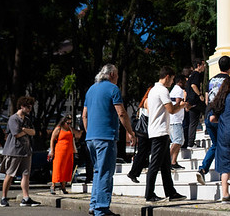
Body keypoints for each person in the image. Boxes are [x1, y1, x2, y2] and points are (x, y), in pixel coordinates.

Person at [83, 64, 136, 216]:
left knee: (98, 171)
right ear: (112, 74)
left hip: (91, 138)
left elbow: (85, 115)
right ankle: (101, 208)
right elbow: (121, 113)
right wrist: (130, 132)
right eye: (117, 75)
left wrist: (89, 132)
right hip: (106, 137)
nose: (118, 78)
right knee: (105, 173)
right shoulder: (113, 89)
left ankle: (94, 205)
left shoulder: (91, 89)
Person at [145, 66, 188, 203]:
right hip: (160, 131)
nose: (172, 82)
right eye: (172, 79)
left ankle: (171, 192)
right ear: (167, 77)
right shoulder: (163, 90)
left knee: (165, 165)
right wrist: (182, 105)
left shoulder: (152, 90)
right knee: (155, 165)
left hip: (157, 130)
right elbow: (171, 110)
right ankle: (149, 194)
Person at [195, 55, 230, 185]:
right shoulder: (229, 81)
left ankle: (203, 168)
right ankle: (225, 173)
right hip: (221, 116)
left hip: (209, 114)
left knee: (216, 144)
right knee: (225, 144)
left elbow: (207, 100)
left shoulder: (211, 80)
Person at [0, 96, 40, 207]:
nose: (29, 109)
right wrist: (26, 131)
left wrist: (25, 130)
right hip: (14, 151)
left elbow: (33, 132)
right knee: (10, 174)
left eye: (30, 107)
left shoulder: (26, 120)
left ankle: (26, 198)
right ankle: (3, 198)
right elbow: (16, 133)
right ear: (22, 106)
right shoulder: (13, 119)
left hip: (26, 151)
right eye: (28, 107)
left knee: (25, 175)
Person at [126, 86, 153, 183]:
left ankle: (134, 172)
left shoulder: (143, 102)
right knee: (142, 152)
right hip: (145, 132)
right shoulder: (149, 101)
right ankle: (133, 172)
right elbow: (152, 114)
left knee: (143, 152)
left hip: (142, 131)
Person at [48, 114, 78, 195]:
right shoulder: (58, 129)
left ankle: (63, 186)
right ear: (63, 122)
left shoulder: (70, 129)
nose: (69, 125)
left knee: (66, 168)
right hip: (59, 151)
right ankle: (53, 186)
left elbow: (73, 139)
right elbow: (52, 139)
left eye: (70, 123)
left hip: (69, 152)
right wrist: (52, 150)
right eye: (67, 123)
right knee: (58, 168)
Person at [185, 59, 206, 148]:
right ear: (198, 65)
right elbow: (194, 85)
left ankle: (190, 142)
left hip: (190, 101)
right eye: (203, 65)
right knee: (208, 112)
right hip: (196, 100)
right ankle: (208, 131)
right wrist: (200, 95)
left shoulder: (191, 75)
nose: (204, 67)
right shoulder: (197, 74)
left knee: (193, 122)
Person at [169, 74, 186, 169]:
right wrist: (185, 105)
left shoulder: (173, 90)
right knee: (178, 140)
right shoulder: (179, 91)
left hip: (174, 119)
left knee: (179, 141)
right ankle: (167, 159)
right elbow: (179, 103)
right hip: (176, 120)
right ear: (180, 82)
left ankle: (173, 161)